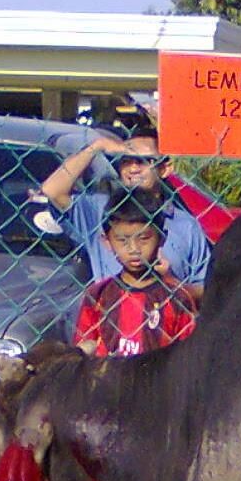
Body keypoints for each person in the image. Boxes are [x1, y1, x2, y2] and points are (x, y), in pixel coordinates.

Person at [41, 127, 210, 303]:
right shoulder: (99, 210)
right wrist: (97, 146)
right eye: (126, 161)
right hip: (113, 321)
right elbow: (52, 190)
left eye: (144, 161)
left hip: (166, 324)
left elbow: (205, 289)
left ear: (165, 169)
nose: (133, 169)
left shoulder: (185, 225)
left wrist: (171, 284)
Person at [73, 188, 197, 357]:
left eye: (144, 238)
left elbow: (187, 355)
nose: (134, 249)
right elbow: (85, 346)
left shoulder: (177, 299)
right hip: (107, 381)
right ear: (107, 241)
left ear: (162, 237)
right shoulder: (98, 295)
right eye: (122, 240)